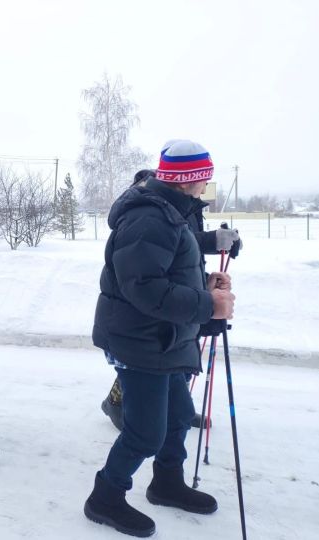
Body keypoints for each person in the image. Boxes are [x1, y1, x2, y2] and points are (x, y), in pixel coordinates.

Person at [84, 141, 236, 537]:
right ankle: (105, 498)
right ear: (189, 179)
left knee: (179, 417)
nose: (206, 182)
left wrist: (204, 286)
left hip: (163, 337)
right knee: (144, 431)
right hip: (140, 340)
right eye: (203, 175)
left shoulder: (171, 212)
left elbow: (166, 272)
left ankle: (166, 484)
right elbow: (145, 289)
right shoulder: (149, 218)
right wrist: (208, 306)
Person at [100, 164, 243, 431]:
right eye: (202, 178)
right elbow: (159, 243)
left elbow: (183, 241)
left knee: (178, 351)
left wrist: (216, 243)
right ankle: (117, 403)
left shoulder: (180, 200)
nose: (204, 185)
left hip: (183, 286)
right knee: (145, 356)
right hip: (156, 301)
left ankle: (176, 409)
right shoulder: (152, 207)